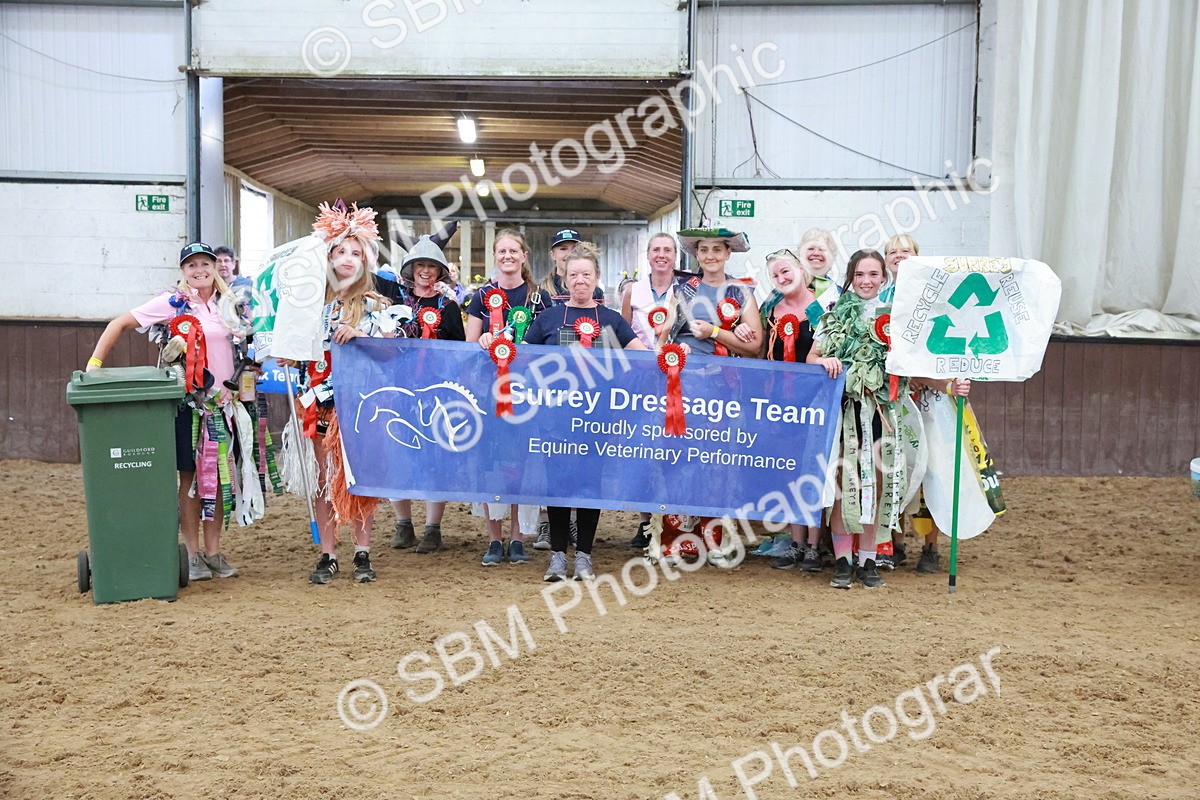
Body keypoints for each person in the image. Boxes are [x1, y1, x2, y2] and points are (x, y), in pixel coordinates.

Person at [87, 242, 264, 582]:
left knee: (220, 479)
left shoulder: (232, 306)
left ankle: (214, 552)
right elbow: (120, 322)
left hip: (227, 405)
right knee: (189, 480)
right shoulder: (172, 303)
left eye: (205, 264)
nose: (200, 270)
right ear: (183, 271)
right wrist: (94, 364)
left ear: (216, 267)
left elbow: (249, 343)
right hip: (189, 405)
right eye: (192, 265)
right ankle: (192, 554)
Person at [509, 243, 646, 581]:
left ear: (597, 278)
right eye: (574, 275)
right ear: (564, 278)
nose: (580, 280)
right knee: (557, 485)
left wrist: (673, 353)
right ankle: (557, 555)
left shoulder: (612, 320)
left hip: (597, 420)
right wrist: (493, 344)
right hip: (556, 419)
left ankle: (584, 555)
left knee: (589, 485)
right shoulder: (549, 318)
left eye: (586, 274)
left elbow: (642, 356)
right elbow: (523, 357)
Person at [279, 202, 395, 585]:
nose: (348, 258)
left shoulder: (378, 306)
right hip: (318, 405)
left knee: (360, 479)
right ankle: (327, 553)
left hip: (362, 408)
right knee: (323, 479)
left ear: (366, 259)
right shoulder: (306, 306)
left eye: (356, 252)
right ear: (327, 258)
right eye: (340, 251)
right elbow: (291, 348)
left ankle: (363, 551)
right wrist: (285, 351)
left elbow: (398, 351)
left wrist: (364, 336)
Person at [807, 249, 910, 589]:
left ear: (883, 278)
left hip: (879, 410)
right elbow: (812, 356)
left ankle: (868, 560)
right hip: (844, 411)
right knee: (843, 483)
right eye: (860, 275)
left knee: (875, 483)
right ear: (851, 276)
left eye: (873, 275)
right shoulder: (833, 313)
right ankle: (841, 560)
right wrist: (825, 363)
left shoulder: (896, 317)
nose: (867, 281)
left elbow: (910, 364)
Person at [466, 229, 552, 566]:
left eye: (513, 250)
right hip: (489, 392)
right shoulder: (481, 296)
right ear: (495, 255)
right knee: (492, 465)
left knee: (521, 464)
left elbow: (546, 346)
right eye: (501, 251)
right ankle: (494, 538)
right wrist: (485, 340)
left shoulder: (538, 298)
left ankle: (517, 538)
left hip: (527, 393)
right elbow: (468, 346)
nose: (507, 256)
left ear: (524, 255)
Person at [387, 235, 466, 554]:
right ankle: (403, 524)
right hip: (396, 389)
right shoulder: (393, 300)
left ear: (440, 271)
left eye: (432, 266)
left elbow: (459, 349)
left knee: (436, 457)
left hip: (436, 393)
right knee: (398, 456)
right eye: (420, 264)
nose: (425, 271)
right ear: (410, 268)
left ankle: (433, 528)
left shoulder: (448, 306)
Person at [758, 249, 824, 573]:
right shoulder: (769, 308)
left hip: (815, 401)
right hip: (780, 403)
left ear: (800, 269)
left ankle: (815, 545)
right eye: (776, 276)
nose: (782, 279)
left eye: (787, 272)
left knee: (814, 471)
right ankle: (796, 542)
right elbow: (758, 346)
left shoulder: (822, 307)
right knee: (788, 472)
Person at [621, 232, 679, 548]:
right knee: (642, 451)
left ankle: (672, 523)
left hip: (675, 379)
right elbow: (621, 331)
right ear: (647, 254)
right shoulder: (633, 291)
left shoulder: (685, 292)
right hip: (642, 381)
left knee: (672, 451)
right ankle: (645, 524)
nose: (661, 255)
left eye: (667, 250)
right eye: (656, 249)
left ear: (675, 256)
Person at [665, 228, 762, 358]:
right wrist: (675, 349)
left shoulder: (742, 291)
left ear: (728, 253)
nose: (710, 256)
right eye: (704, 250)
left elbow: (755, 347)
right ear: (697, 255)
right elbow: (663, 338)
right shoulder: (682, 287)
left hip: (725, 374)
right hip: (681, 370)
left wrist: (713, 332)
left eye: (717, 249)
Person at [540, 227, 604, 304]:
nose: (569, 254)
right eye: (563, 249)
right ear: (553, 255)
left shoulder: (596, 292)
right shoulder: (542, 291)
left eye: (574, 249)